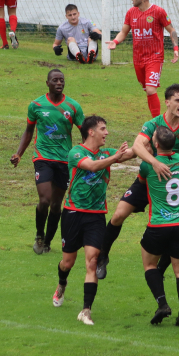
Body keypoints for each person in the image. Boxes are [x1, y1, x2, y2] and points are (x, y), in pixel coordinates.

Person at [96, 83, 179, 280]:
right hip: (146, 182)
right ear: (167, 102)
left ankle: (159, 271)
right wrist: (155, 163)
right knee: (118, 215)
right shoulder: (153, 125)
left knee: (172, 230)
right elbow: (137, 146)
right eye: (178, 100)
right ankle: (102, 256)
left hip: (168, 186)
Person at [53, 116, 136, 325]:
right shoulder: (76, 152)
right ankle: (62, 283)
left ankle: (86, 310)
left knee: (92, 260)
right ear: (91, 132)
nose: (106, 133)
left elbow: (133, 152)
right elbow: (92, 167)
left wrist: (150, 139)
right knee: (67, 262)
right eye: (103, 129)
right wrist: (115, 156)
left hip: (96, 215)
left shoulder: (107, 153)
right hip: (73, 214)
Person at [10, 68, 85, 254]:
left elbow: (85, 132)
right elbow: (28, 131)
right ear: (47, 83)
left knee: (56, 205)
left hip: (64, 160)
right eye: (55, 80)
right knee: (44, 199)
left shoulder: (73, 106)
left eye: (62, 80)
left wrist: (85, 156)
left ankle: (48, 241)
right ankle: (39, 235)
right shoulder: (36, 105)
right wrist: (19, 153)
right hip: (42, 157)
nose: (59, 83)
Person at [138, 126, 179, 327]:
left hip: (159, 224)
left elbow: (141, 182)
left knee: (149, 264)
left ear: (156, 144)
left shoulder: (147, 166)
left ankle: (162, 304)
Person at [107, 0, 179, 117]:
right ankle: (158, 120)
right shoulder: (131, 12)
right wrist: (115, 41)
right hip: (138, 59)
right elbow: (124, 32)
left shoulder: (158, 11)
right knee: (147, 89)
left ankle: (157, 123)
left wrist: (175, 48)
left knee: (151, 90)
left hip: (155, 57)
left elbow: (172, 30)